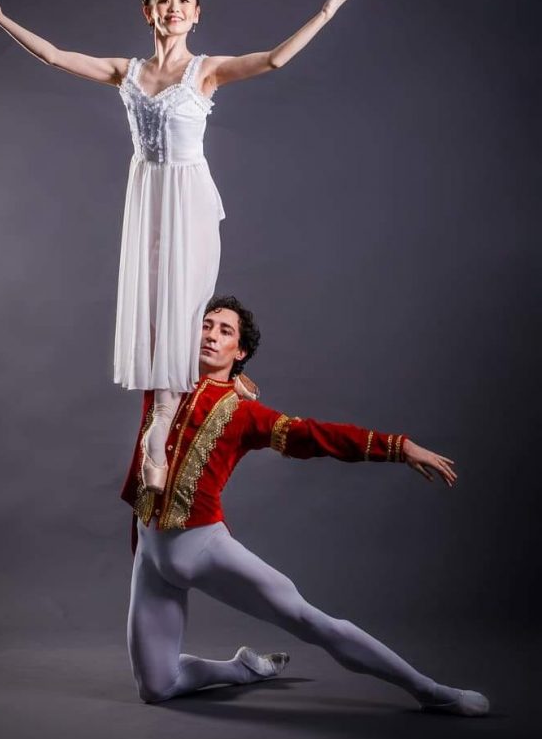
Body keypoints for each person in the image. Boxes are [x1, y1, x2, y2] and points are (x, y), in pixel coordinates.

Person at [0, 0, 359, 490]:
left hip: (189, 198)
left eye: (184, 1)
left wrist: (329, 9)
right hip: (148, 196)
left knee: (186, 302)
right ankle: (190, 399)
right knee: (154, 308)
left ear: (196, 15)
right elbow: (55, 56)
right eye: (165, 1)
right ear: (148, 11)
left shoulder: (206, 70)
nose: (174, 8)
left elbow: (273, 59)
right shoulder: (125, 72)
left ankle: (161, 429)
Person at [121, 295, 489, 715]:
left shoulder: (244, 414)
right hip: (152, 557)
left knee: (309, 620)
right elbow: (151, 309)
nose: (211, 335)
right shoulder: (162, 383)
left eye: (225, 331)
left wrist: (399, 447)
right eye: (205, 325)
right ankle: (242, 669)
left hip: (202, 548)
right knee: (157, 687)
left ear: (239, 352)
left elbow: (315, 436)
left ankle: (431, 691)